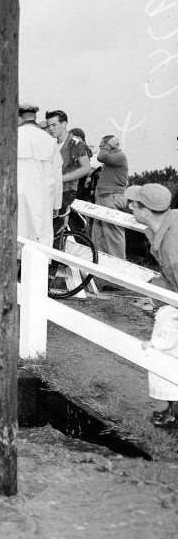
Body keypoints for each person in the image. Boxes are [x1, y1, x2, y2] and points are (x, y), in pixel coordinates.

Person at [124, 183, 178, 426]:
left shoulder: (173, 245)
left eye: (133, 204)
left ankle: (173, 412)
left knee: (166, 347)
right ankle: (173, 409)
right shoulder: (164, 226)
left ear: (145, 210)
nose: (130, 206)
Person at [16, 103, 61, 246]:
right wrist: (56, 205)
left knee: (17, 238)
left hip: (17, 197)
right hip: (42, 200)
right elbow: (57, 174)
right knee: (39, 243)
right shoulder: (49, 140)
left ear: (18, 117)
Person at [45, 110, 92, 233]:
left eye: (54, 125)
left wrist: (61, 178)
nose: (50, 129)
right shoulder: (52, 143)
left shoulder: (76, 143)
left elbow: (86, 168)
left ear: (64, 124)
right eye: (48, 125)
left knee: (56, 231)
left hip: (66, 191)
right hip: (52, 191)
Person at [91, 135, 129, 270]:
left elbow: (100, 157)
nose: (101, 148)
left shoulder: (119, 156)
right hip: (104, 197)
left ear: (111, 145)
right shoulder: (111, 159)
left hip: (112, 198)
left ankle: (119, 275)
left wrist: (108, 145)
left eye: (103, 146)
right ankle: (102, 277)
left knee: (113, 237)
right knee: (98, 237)